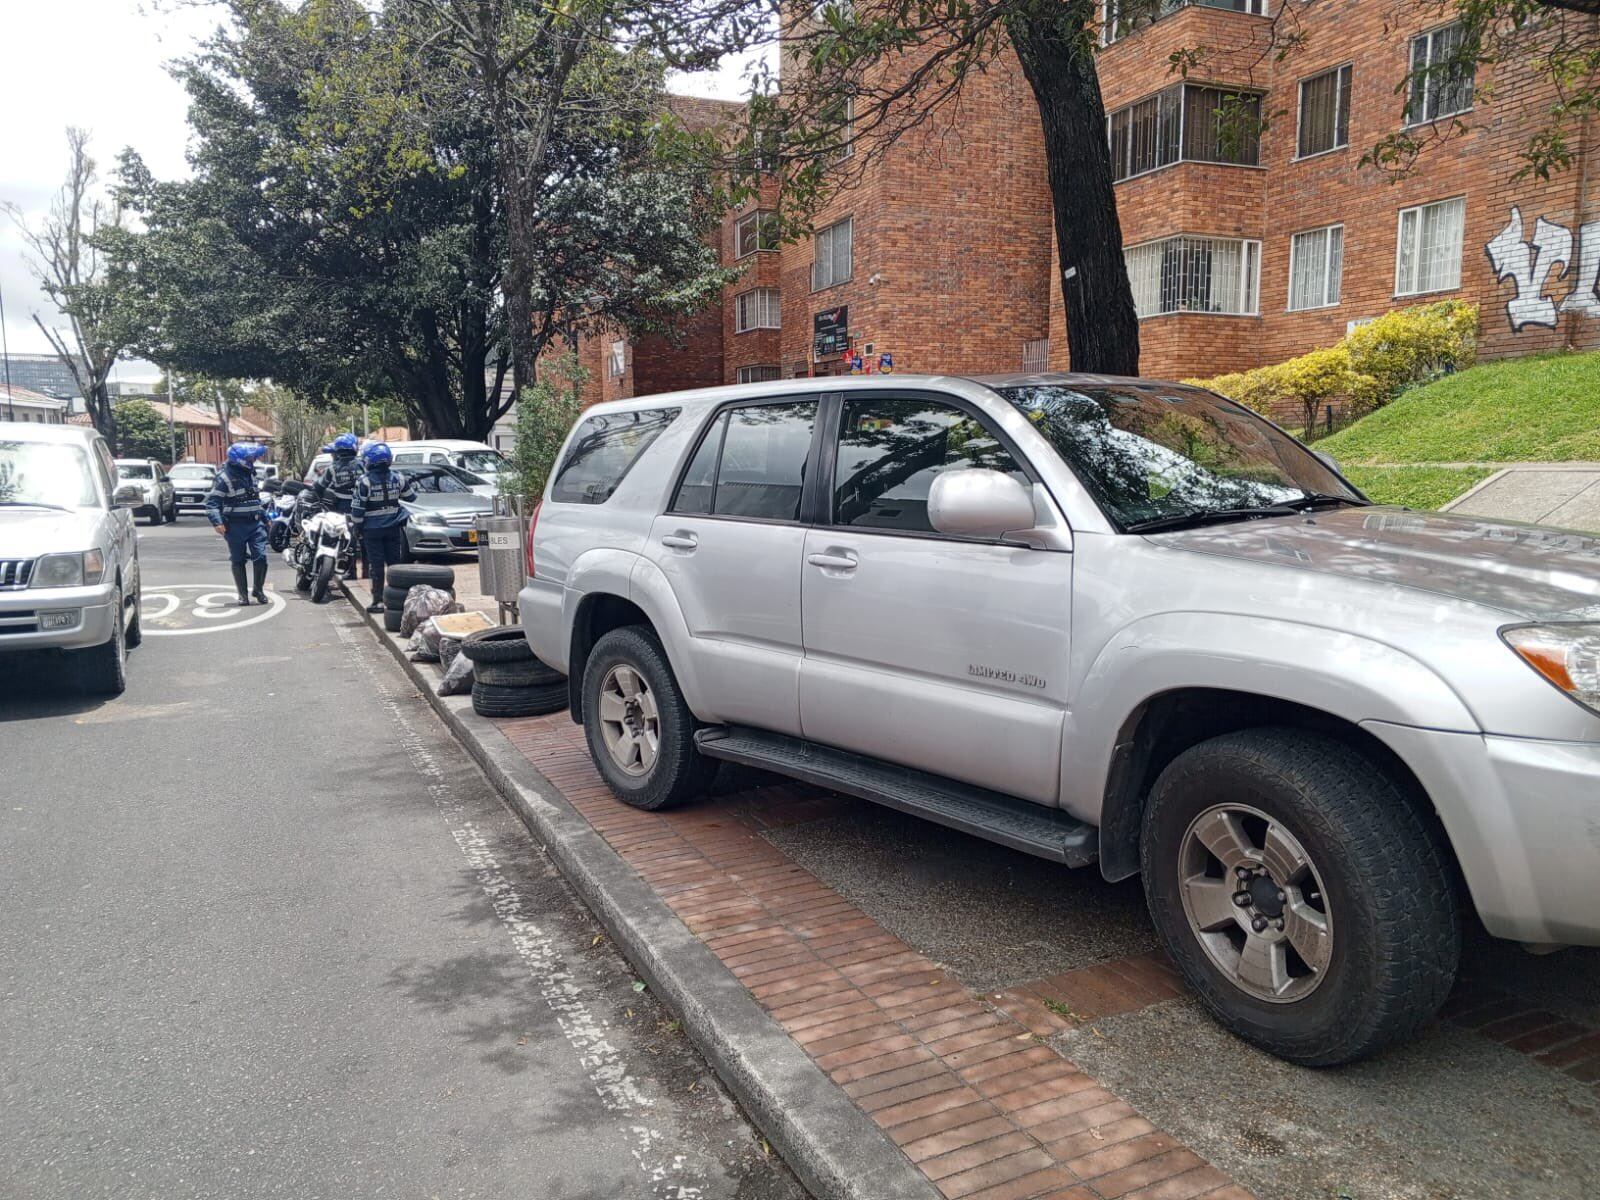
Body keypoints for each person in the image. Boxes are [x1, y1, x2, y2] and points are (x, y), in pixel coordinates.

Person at [350, 442, 417, 614]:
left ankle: (378, 601)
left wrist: (356, 529)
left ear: (369, 461)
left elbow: (358, 511)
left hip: (372, 531)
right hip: (394, 529)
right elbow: (411, 498)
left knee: (376, 565)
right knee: (395, 564)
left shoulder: (364, 482)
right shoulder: (399, 478)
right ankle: (399, 600)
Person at [205, 443, 271, 606]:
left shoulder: (251, 474)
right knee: (238, 560)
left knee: (261, 557)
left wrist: (265, 517)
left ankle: (258, 590)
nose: (253, 460)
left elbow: (255, 499)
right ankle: (243, 595)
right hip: (235, 526)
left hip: (255, 525)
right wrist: (217, 522)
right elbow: (212, 503)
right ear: (239, 460)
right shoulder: (224, 478)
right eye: (249, 458)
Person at [312, 433, 363, 578]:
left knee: (343, 538)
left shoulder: (333, 468)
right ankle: (363, 573)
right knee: (360, 540)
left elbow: (319, 486)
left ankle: (349, 571)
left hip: (341, 509)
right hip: (362, 509)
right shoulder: (362, 464)